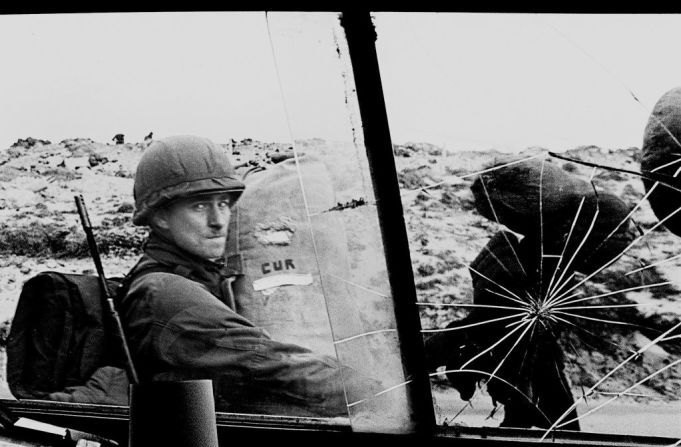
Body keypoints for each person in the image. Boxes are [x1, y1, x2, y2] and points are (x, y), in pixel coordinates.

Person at [119, 135, 380, 417]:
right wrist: (381, 395)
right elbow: (274, 364)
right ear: (159, 217)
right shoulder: (167, 293)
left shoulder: (195, 277)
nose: (218, 221)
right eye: (199, 206)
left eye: (223, 204)